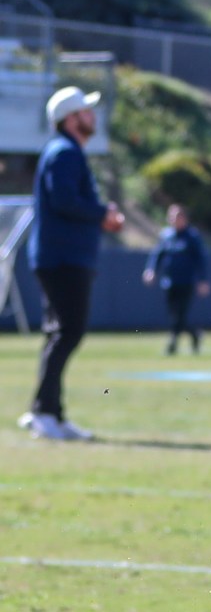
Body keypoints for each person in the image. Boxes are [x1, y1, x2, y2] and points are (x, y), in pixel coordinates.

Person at [17, 86, 124, 441]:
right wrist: (102, 213)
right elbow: (64, 200)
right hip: (63, 257)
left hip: (60, 256)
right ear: (70, 118)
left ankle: (50, 412)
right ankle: (44, 413)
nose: (92, 116)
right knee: (68, 332)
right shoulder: (64, 152)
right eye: (85, 111)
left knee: (60, 334)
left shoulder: (65, 151)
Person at [142, 203, 210, 355]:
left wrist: (203, 279)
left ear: (184, 218)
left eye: (177, 216)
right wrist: (151, 270)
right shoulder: (166, 235)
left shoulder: (192, 236)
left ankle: (172, 343)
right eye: (171, 216)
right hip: (169, 282)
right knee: (174, 315)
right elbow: (157, 254)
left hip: (186, 282)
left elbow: (201, 259)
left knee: (180, 315)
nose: (174, 219)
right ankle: (195, 334)